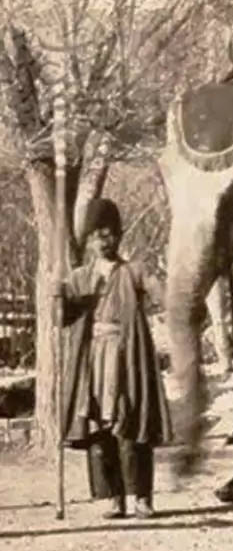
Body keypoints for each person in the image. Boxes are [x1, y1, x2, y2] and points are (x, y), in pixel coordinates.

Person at [58, 199, 173, 520]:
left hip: (127, 359)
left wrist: (169, 291)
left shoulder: (134, 271)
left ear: (119, 236)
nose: (103, 241)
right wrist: (59, 296)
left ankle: (142, 497)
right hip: (92, 360)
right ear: (89, 241)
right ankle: (114, 497)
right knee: (101, 429)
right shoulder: (80, 277)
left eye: (108, 234)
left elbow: (162, 295)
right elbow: (62, 317)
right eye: (96, 236)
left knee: (132, 423)